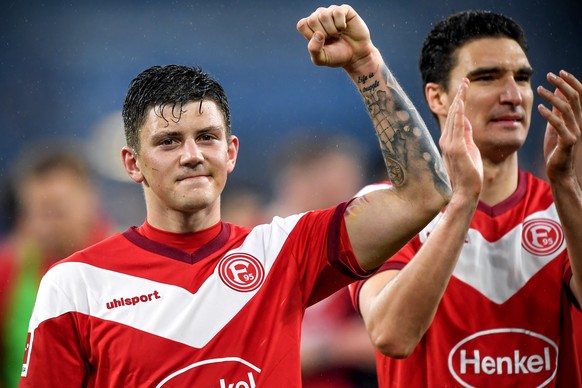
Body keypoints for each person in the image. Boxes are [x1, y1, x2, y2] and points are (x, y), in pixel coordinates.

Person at [17, 5, 459, 386]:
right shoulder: (75, 284)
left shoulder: (284, 251)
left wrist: (364, 65)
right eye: (169, 142)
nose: (192, 155)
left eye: (207, 137)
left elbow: (424, 193)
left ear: (230, 153)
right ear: (132, 163)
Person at [349, 10, 582, 387]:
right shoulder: (386, 207)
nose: (513, 95)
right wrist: (462, 200)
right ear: (437, 96)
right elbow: (391, 335)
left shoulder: (565, 208)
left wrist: (567, 184)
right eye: (487, 77)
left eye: (522, 78)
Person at [264, 133, 377, 386]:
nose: (351, 202)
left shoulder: (358, 251)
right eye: (337, 189)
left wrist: (325, 348)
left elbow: (390, 337)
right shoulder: (248, 247)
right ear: (300, 182)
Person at [0, 146, 114, 388]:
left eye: (58, 211)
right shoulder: (9, 268)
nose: (47, 225)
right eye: (39, 212)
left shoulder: (126, 264)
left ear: (90, 202)